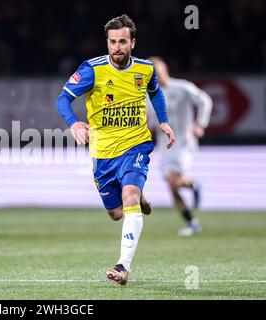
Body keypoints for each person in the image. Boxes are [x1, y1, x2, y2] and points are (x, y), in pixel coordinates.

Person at [56, 15, 175, 285]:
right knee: (116, 213)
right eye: (112, 42)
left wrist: (164, 120)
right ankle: (139, 196)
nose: (117, 47)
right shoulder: (92, 70)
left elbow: (155, 91)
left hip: (136, 144)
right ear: (107, 43)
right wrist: (74, 124)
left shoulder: (145, 69)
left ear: (132, 43)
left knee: (129, 196)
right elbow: (63, 98)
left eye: (122, 42)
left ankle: (122, 267)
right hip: (103, 152)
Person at [148, 56, 213, 237]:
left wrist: (200, 123)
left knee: (172, 181)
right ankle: (191, 222)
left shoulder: (182, 87)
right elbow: (150, 124)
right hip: (164, 146)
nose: (155, 76)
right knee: (172, 186)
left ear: (165, 70)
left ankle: (193, 186)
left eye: (157, 72)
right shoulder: (148, 97)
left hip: (184, 143)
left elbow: (205, 100)